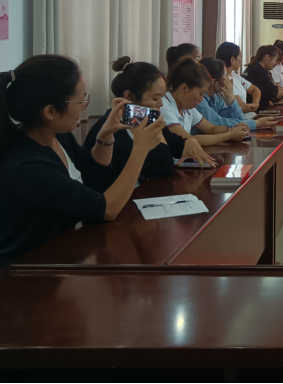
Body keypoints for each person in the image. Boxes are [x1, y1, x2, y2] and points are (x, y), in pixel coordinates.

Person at [0, 55, 166, 267]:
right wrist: (140, 150)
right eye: (80, 101)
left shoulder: (58, 136)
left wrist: (106, 134)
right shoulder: (26, 166)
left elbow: (92, 168)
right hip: (26, 272)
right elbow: (107, 209)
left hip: (65, 252)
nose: (84, 106)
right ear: (50, 111)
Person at [83, 57, 215, 178]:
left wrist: (188, 141)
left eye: (162, 97)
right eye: (155, 98)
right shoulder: (113, 130)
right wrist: (158, 131)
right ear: (129, 96)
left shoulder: (137, 117)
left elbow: (173, 141)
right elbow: (163, 166)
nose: (161, 104)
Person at [161, 57, 249, 147]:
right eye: (200, 93)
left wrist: (232, 129)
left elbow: (211, 128)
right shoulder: (164, 106)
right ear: (184, 88)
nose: (201, 99)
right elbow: (188, 139)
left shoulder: (187, 108)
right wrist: (229, 135)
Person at [197, 59, 279, 131]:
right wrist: (257, 123)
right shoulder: (199, 100)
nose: (228, 79)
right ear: (213, 82)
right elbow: (218, 123)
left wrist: (231, 98)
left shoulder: (215, 97)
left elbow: (239, 119)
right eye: (225, 76)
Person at [243, 45, 283, 110]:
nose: (276, 64)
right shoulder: (257, 70)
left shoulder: (258, 68)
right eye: (276, 60)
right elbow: (274, 91)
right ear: (267, 57)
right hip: (255, 109)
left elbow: (271, 89)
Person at [216, 41, 261, 117]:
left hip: (246, 115)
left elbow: (255, 90)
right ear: (232, 60)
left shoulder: (235, 76)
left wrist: (255, 103)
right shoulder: (225, 80)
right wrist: (254, 107)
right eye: (240, 57)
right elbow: (241, 107)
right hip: (236, 118)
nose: (240, 60)